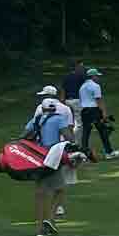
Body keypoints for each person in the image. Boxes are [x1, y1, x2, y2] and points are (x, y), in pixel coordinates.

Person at [27, 98, 71, 236]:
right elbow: (69, 137)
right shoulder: (59, 119)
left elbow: (25, 135)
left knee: (40, 193)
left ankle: (40, 228)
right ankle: (50, 219)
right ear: (54, 109)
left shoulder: (36, 120)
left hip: (38, 158)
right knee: (60, 189)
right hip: (53, 156)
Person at [36, 84, 78, 218]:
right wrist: (73, 147)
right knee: (60, 178)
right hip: (61, 148)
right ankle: (57, 207)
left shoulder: (39, 108)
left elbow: (35, 126)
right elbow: (70, 129)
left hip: (42, 148)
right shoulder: (66, 108)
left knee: (45, 179)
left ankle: (46, 213)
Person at [78, 66, 119, 161]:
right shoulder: (95, 86)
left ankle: (83, 154)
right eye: (97, 76)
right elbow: (99, 100)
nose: (98, 78)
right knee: (103, 131)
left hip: (84, 111)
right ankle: (109, 152)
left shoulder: (82, 87)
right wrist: (104, 113)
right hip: (94, 110)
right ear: (92, 76)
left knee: (86, 132)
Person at [60, 61, 86, 146]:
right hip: (77, 101)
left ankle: (65, 140)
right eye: (81, 67)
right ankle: (75, 142)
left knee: (68, 121)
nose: (82, 68)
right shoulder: (81, 77)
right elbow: (83, 90)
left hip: (67, 101)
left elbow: (63, 89)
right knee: (79, 123)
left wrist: (62, 100)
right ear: (76, 67)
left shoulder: (66, 77)